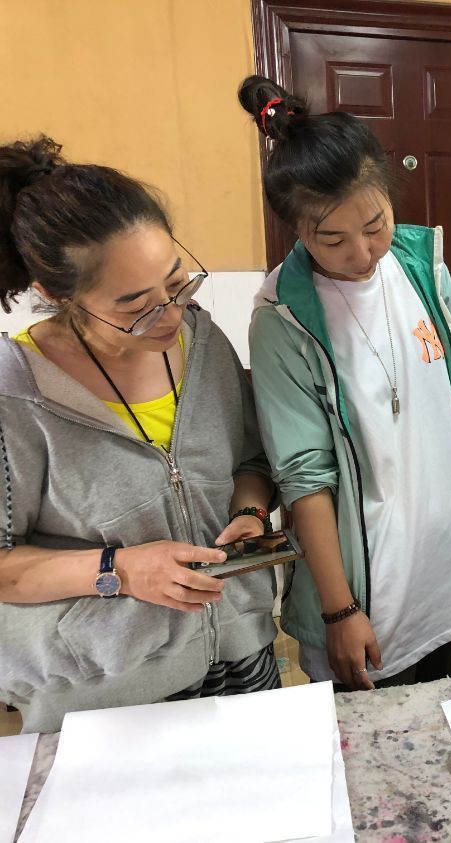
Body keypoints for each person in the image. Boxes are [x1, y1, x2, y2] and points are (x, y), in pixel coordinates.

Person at [0, 137, 279, 733]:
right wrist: (121, 569)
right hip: (106, 691)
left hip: (239, 650)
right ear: (55, 294)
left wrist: (250, 514)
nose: (171, 316)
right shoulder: (16, 394)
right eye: (135, 306)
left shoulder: (203, 345)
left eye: (178, 284)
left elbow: (249, 459)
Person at [239, 76, 451, 691]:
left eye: (375, 223)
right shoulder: (284, 318)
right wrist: (339, 610)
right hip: (365, 587)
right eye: (333, 239)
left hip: (442, 565)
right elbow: (304, 475)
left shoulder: (421, 266)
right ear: (296, 231)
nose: (363, 251)